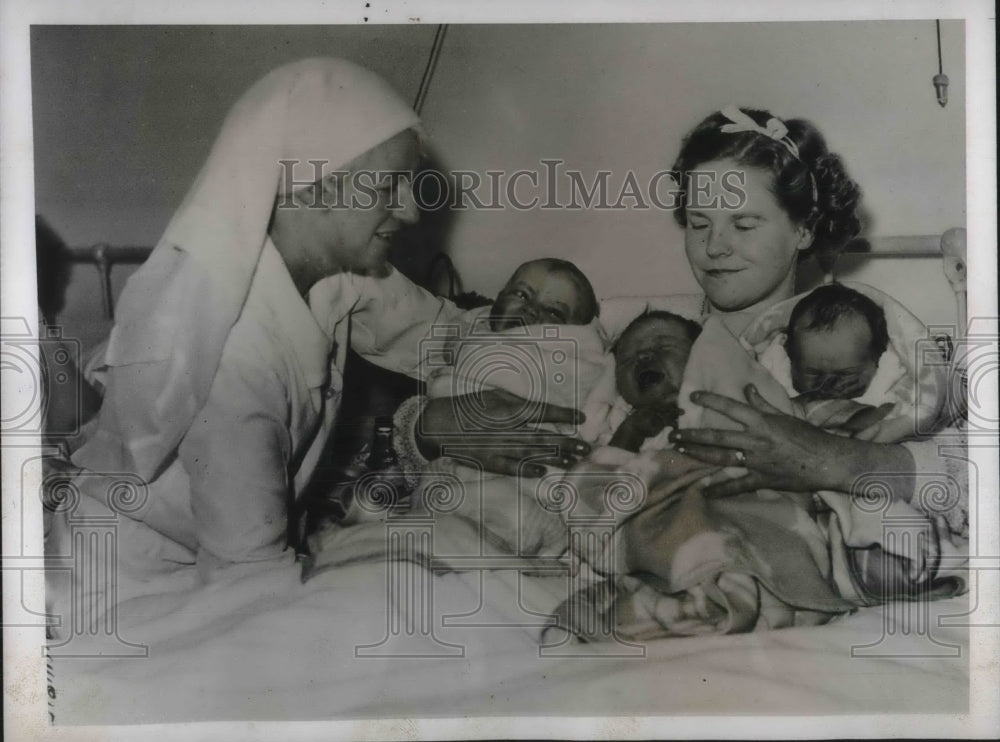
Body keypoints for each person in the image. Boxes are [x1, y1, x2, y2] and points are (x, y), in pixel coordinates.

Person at [59, 58, 588, 579]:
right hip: (140, 573)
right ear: (313, 187)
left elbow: (453, 332)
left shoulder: (343, 269)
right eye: (390, 187)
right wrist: (425, 426)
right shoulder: (233, 358)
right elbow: (249, 577)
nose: (411, 211)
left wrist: (577, 341)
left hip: (230, 556)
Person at [412, 103, 967, 541]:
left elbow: (970, 477)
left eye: (743, 225)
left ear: (804, 229)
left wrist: (834, 459)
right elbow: (480, 357)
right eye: (699, 223)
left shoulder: (853, 336)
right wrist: (427, 425)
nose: (715, 246)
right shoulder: (636, 324)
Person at [608, 310, 701, 452]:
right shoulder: (607, 421)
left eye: (663, 347)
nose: (642, 356)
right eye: (627, 359)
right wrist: (629, 434)